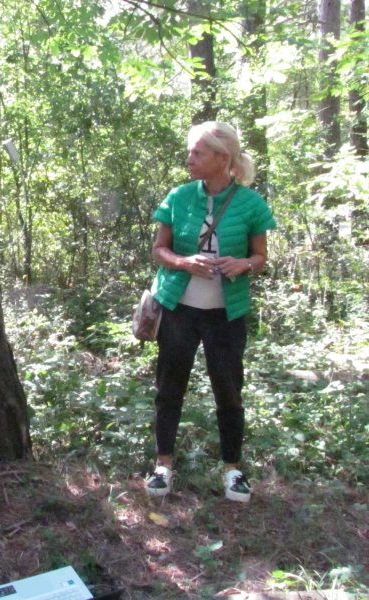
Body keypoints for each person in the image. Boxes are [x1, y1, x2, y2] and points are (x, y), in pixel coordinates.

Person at [145, 121, 276, 503]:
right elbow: (159, 250)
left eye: (197, 153)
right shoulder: (180, 197)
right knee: (169, 389)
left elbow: (261, 256)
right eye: (190, 152)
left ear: (223, 157)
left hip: (227, 314)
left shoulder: (251, 203)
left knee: (229, 392)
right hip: (179, 310)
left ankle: (233, 471)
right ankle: (163, 466)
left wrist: (245, 265)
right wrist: (185, 262)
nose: (189, 160)